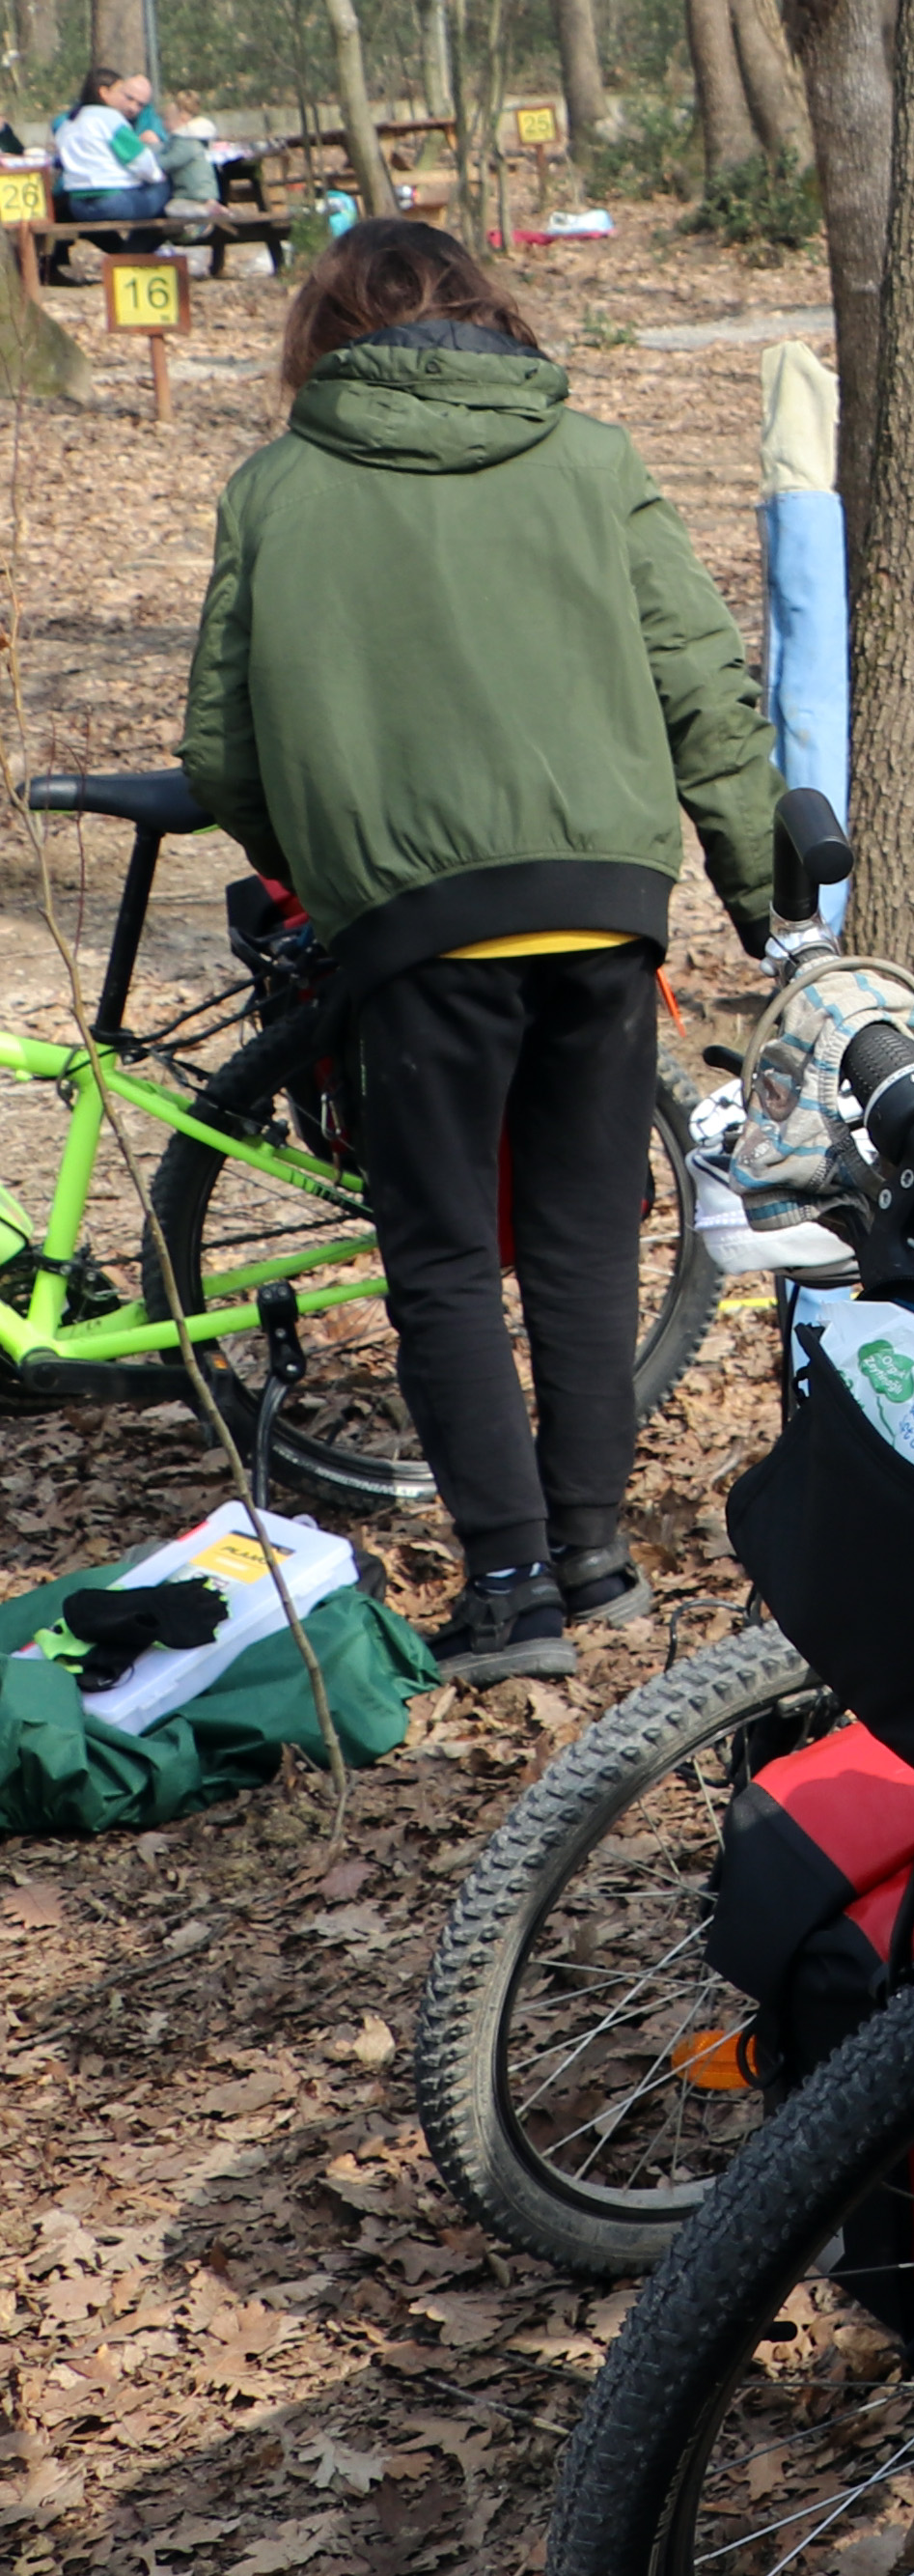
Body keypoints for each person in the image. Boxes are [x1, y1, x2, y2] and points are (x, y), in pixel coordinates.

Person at [176, 219, 779, 1682]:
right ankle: (598, 1557)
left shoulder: (276, 490)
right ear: (487, 311)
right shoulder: (591, 459)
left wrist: (314, 868)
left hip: (413, 928)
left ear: (323, 332)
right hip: (602, 903)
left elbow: (220, 745)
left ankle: (510, 1594)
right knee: (579, 1241)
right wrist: (763, 886)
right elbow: (703, 678)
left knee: (442, 1257)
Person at [58, 68, 217, 221]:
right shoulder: (111, 120)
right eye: (121, 93)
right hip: (112, 202)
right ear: (104, 93)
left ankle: (123, 249)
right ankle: (140, 247)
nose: (129, 105)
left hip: (78, 205)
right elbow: (140, 161)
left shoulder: (68, 123)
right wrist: (157, 175)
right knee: (165, 190)